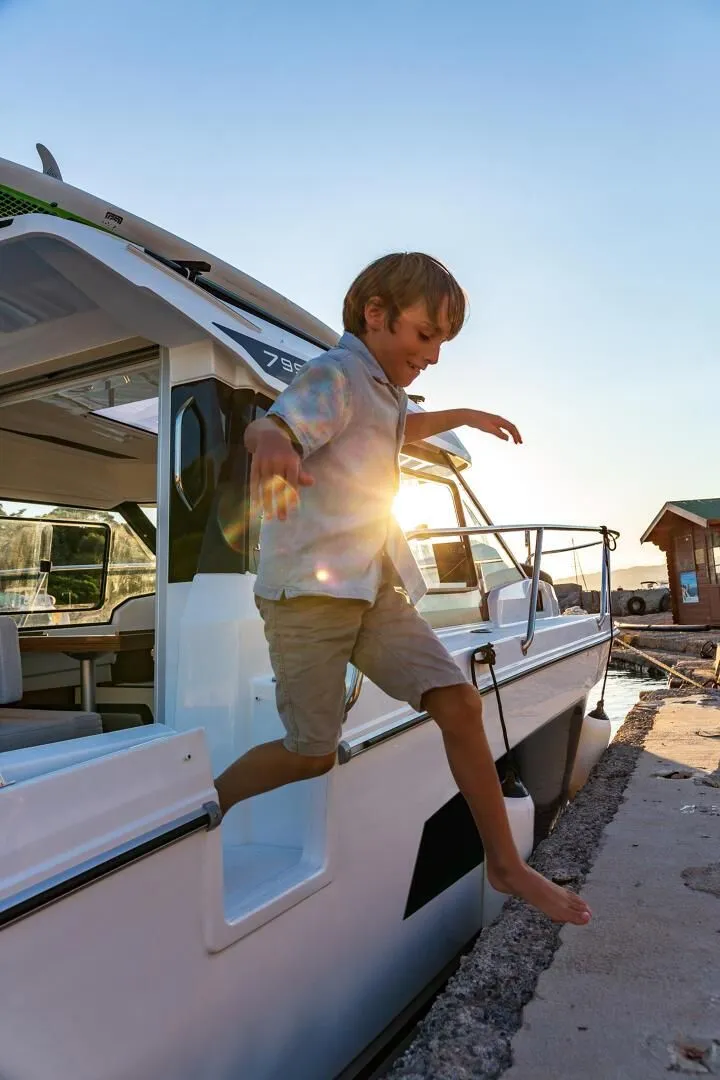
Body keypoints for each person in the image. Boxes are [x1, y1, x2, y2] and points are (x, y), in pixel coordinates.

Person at [215, 252, 591, 926]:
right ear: (377, 315)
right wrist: (268, 443)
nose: (435, 355)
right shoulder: (335, 374)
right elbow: (276, 421)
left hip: (372, 592)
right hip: (308, 600)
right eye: (426, 336)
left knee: (460, 703)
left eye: (444, 342)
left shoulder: (381, 392)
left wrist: (463, 415)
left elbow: (392, 428)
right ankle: (210, 800)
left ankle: (505, 863)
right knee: (311, 756)